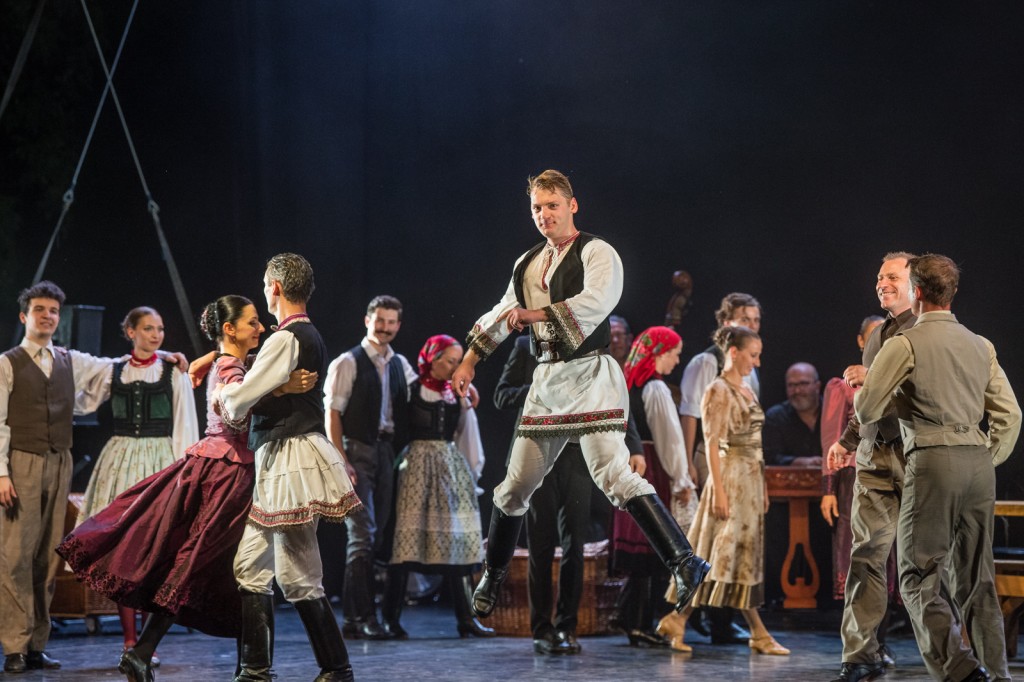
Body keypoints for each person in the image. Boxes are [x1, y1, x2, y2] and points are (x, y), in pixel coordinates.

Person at [449, 169, 709, 629]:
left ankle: (685, 561)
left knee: (613, 474)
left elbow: (596, 301)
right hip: (548, 383)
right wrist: (470, 359)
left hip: (590, 375)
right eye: (536, 207)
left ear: (572, 205)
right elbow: (502, 311)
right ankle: (493, 573)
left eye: (552, 205)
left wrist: (534, 315)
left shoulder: (597, 251)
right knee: (514, 485)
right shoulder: (527, 262)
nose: (544, 214)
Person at [57, 295, 315, 682]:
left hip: (229, 469)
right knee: (206, 564)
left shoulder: (230, 361)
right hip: (228, 474)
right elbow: (237, 406)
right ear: (229, 329)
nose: (261, 328)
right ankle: (152, 652)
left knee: (238, 572)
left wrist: (210, 358)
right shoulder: (229, 367)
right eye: (252, 322)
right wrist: (281, 389)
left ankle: (248, 668)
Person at [854, 254, 1021, 682]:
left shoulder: (904, 344)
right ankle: (997, 674)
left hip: (933, 460)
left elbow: (868, 410)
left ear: (917, 292)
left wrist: (865, 384)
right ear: (952, 293)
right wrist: (985, 457)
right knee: (977, 578)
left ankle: (960, 670)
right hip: (979, 464)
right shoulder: (980, 344)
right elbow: (1010, 416)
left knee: (917, 575)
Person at [220, 253, 361, 682]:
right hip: (279, 454)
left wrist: (225, 395)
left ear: (276, 287)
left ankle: (336, 669)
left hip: (289, 457)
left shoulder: (285, 338)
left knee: (298, 573)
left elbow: (237, 401)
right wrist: (278, 388)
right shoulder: (302, 335)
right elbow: (265, 389)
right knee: (250, 566)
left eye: (266, 285)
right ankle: (255, 670)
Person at [0, 281, 131, 673]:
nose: (47, 316)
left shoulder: (67, 359)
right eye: (39, 310)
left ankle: (36, 644)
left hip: (59, 460)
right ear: (24, 316)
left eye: (53, 311)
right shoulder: (7, 363)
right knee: (15, 556)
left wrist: (161, 357)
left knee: (46, 557)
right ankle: (14, 646)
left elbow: (113, 366)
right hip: (21, 461)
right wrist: (1, 473)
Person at [494, 333, 645, 655]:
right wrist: (545, 391)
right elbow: (501, 395)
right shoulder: (524, 347)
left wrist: (634, 446)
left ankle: (566, 626)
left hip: (577, 455)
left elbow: (614, 397)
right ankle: (541, 629)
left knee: (574, 544)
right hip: (538, 453)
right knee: (540, 546)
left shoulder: (589, 344)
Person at [74, 306, 199, 657]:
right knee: (123, 553)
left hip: (159, 458)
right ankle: (129, 640)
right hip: (121, 459)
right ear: (131, 331)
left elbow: (185, 423)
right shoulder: (113, 370)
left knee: (154, 552)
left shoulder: (173, 372)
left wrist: (185, 471)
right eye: (148, 329)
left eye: (159, 329)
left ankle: (145, 643)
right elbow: (83, 399)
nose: (156, 335)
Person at [657, 325, 789, 656]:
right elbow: (713, 443)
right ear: (734, 352)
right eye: (753, 355)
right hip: (730, 479)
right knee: (721, 554)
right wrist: (718, 490)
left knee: (735, 556)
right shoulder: (717, 389)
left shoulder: (746, 389)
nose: (757, 363)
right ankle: (756, 632)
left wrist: (763, 486)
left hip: (750, 481)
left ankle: (679, 619)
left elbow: (756, 444)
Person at [828, 252, 918, 682]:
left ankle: (955, 656)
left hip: (917, 457)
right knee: (865, 556)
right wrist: (846, 442)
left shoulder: (929, 331)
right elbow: (868, 402)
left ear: (916, 284)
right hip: (875, 456)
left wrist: (874, 378)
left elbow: (928, 394)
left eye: (893, 276)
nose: (882, 282)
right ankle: (860, 654)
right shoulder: (878, 334)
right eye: (880, 276)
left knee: (924, 561)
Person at [382, 334, 491, 639]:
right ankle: (390, 618)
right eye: (451, 361)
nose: (456, 367)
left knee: (457, 542)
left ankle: (466, 619)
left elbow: (468, 434)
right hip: (415, 468)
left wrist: (472, 473)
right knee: (405, 544)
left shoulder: (457, 394)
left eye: (459, 362)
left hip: (449, 469)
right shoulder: (411, 389)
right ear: (433, 359)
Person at [323, 295, 417, 639]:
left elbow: (424, 392)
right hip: (357, 450)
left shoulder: (399, 363)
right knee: (362, 534)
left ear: (399, 325)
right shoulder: (348, 361)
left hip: (386, 451)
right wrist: (341, 460)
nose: (385, 328)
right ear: (367, 321)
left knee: (378, 535)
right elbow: (332, 414)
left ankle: (354, 619)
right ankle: (362, 617)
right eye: (380, 321)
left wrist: (462, 396)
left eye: (391, 322)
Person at [675, 292, 761, 644]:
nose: (752, 325)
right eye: (745, 319)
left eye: (755, 320)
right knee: (714, 538)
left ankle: (720, 620)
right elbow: (690, 414)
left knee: (730, 542)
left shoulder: (749, 369)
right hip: (713, 457)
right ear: (727, 323)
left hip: (743, 465)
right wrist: (687, 465)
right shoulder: (706, 364)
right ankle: (693, 617)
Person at [613, 327, 697, 651]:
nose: (677, 361)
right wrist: (680, 478)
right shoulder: (656, 388)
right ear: (660, 353)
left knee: (642, 553)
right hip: (653, 467)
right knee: (653, 550)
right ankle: (638, 621)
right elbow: (670, 438)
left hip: (629, 467)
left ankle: (630, 617)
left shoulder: (629, 383)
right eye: (674, 353)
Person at [819, 316, 883, 602]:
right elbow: (831, 438)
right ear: (860, 341)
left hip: (889, 473)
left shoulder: (898, 378)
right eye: (872, 336)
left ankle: (884, 620)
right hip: (854, 475)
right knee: (855, 543)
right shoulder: (843, 386)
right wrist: (828, 489)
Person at [762, 363, 824, 468]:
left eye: (803, 384)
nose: (797, 391)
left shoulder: (835, 412)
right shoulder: (775, 416)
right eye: (791, 385)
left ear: (817, 386)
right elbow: (769, 457)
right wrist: (796, 462)